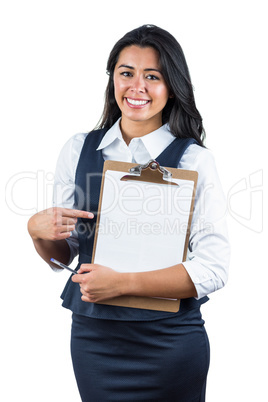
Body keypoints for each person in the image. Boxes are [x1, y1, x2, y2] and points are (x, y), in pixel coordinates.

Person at [28, 24, 230, 401]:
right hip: (94, 341)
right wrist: (38, 233)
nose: (137, 86)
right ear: (113, 80)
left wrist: (124, 283)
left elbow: (214, 268)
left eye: (152, 76)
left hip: (169, 342)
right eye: (126, 73)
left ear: (172, 86)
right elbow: (65, 256)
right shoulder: (79, 150)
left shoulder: (194, 160)